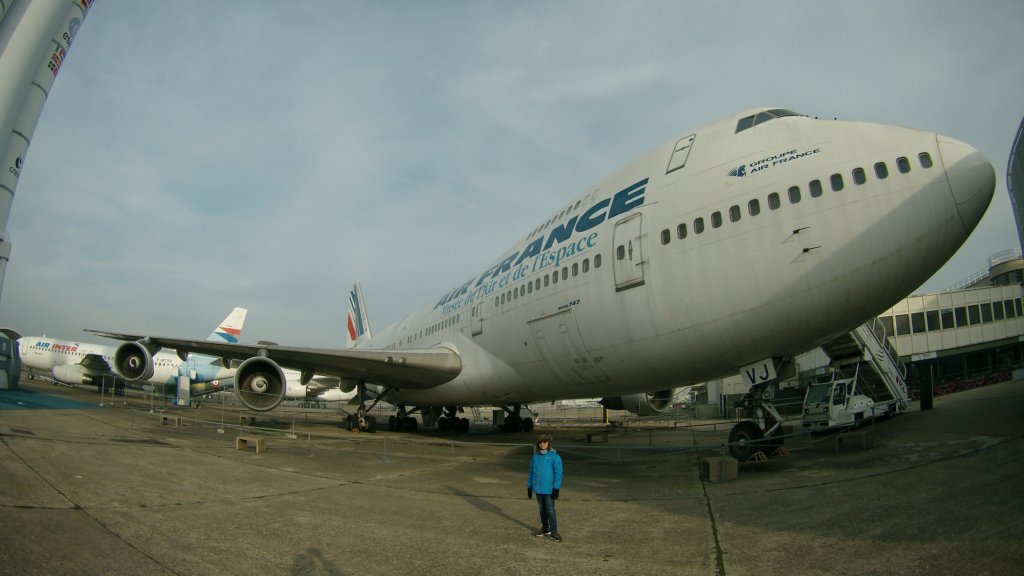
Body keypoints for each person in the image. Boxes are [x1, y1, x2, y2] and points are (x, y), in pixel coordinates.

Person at [526, 433, 563, 542]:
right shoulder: (535, 456)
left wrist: (556, 488)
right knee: (542, 509)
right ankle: (545, 528)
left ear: (548, 443)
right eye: (540, 442)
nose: (542, 444)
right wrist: (529, 487)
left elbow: (558, 474)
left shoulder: (554, 457)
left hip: (549, 489)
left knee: (550, 510)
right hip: (538, 489)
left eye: (544, 442)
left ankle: (554, 531)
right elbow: (531, 472)